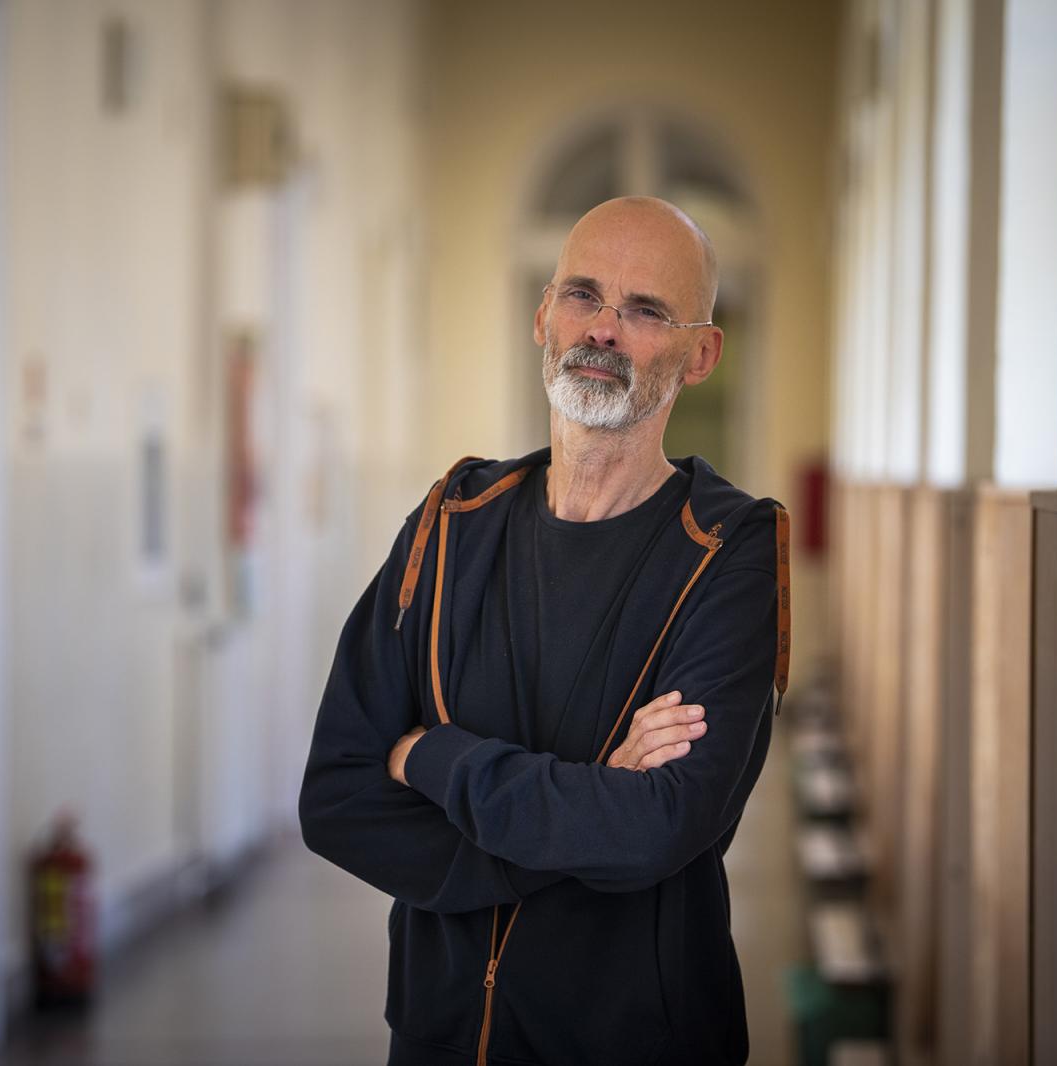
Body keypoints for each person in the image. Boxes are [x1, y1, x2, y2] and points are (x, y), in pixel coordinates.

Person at [299, 196, 790, 1066]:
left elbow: (658, 826)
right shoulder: (452, 522)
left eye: (646, 310)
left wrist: (433, 758)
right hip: (440, 1038)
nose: (603, 329)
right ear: (543, 315)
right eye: (583, 295)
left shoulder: (727, 550)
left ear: (701, 354)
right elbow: (337, 797)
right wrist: (580, 813)